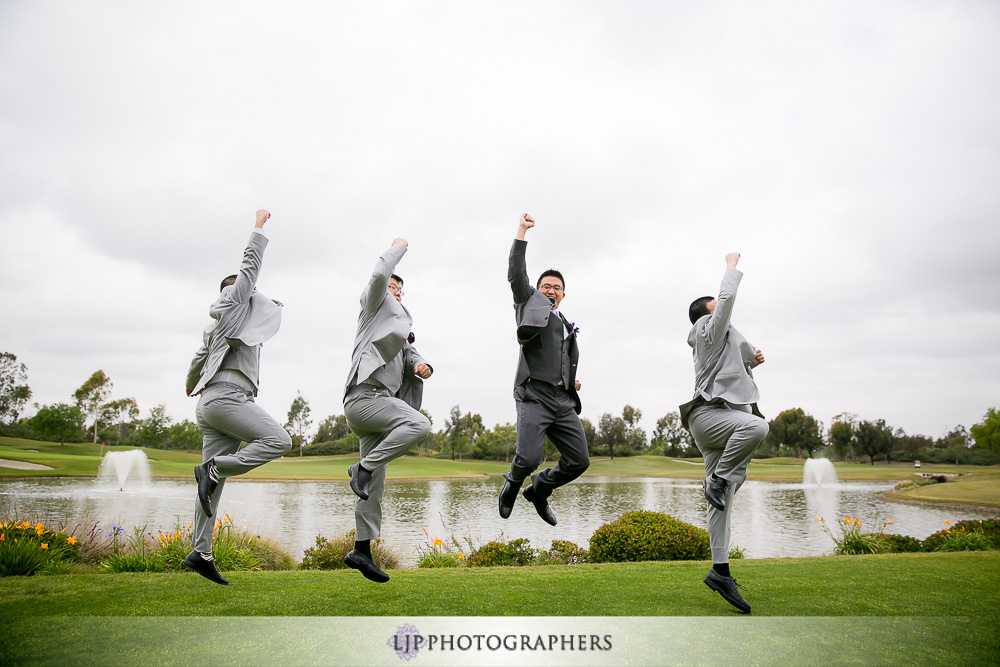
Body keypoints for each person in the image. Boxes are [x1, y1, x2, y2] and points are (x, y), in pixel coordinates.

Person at [183, 209, 292, 585]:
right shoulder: (234, 303)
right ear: (234, 293)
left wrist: (190, 382)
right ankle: (214, 468)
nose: (255, 293)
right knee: (279, 440)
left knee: (209, 490)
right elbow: (249, 269)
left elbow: (198, 359)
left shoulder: (218, 327)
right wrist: (259, 227)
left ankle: (201, 552)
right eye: (249, 290)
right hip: (228, 399)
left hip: (210, 403)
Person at [679, 251, 769, 613]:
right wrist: (731, 267)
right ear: (706, 314)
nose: (724, 311)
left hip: (722, 421)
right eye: (716, 308)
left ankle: (720, 572)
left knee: (722, 504)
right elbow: (727, 299)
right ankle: (718, 479)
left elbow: (732, 379)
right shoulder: (706, 328)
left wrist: (751, 364)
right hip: (710, 417)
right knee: (758, 426)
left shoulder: (720, 340)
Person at [342, 238, 432, 583]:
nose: (394, 290)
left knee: (373, 488)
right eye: (391, 285)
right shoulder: (371, 310)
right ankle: (361, 468)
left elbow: (413, 354)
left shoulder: (398, 335)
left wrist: (423, 365)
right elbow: (379, 274)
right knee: (419, 426)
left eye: (399, 289)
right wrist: (397, 248)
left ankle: (361, 550)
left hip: (379, 410)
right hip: (365, 398)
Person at [498, 213, 589, 526]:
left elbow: (562, 357)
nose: (552, 289)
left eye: (557, 287)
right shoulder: (528, 303)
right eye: (546, 285)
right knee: (529, 458)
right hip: (533, 393)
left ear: (563, 294)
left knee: (579, 460)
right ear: (537, 290)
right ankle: (512, 484)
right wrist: (522, 231)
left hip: (561, 400)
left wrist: (569, 381)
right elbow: (515, 274)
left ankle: (539, 488)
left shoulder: (566, 324)